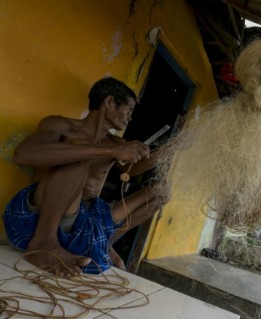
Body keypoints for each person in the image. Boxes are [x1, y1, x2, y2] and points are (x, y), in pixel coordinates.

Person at [3, 77, 169, 276]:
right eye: (129, 109)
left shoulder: (116, 141)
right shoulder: (60, 125)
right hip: (49, 212)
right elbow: (23, 155)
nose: (130, 117)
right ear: (109, 102)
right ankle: (44, 240)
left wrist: (167, 150)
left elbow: (129, 171)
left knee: (161, 192)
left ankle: (106, 241)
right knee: (80, 151)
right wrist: (107, 151)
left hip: (90, 216)